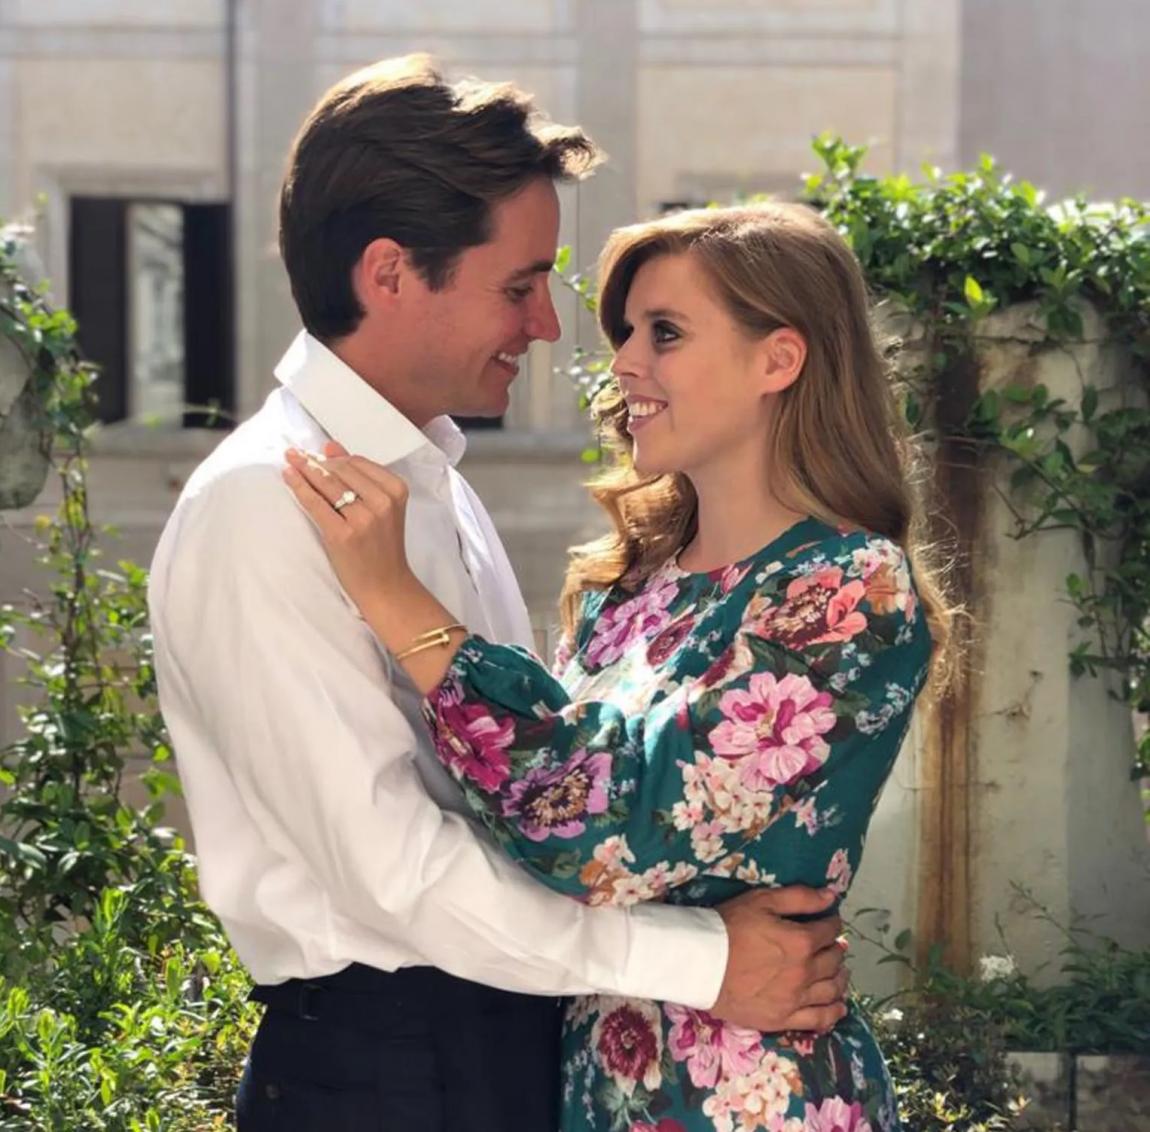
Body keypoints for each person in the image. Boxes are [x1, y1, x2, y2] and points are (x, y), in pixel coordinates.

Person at [148, 57, 849, 1132]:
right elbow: (394, 875)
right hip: (385, 1074)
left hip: (491, 1044)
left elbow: (531, 796)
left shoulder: (432, 481)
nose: (547, 328)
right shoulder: (261, 504)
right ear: (390, 274)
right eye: (518, 287)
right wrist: (703, 962)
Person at [282, 200, 953, 1131]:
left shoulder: (847, 592)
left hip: (750, 1099)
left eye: (665, 333)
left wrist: (395, 599)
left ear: (779, 359)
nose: (625, 362)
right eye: (626, 333)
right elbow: (519, 829)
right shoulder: (627, 588)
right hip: (591, 1085)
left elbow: (596, 831)